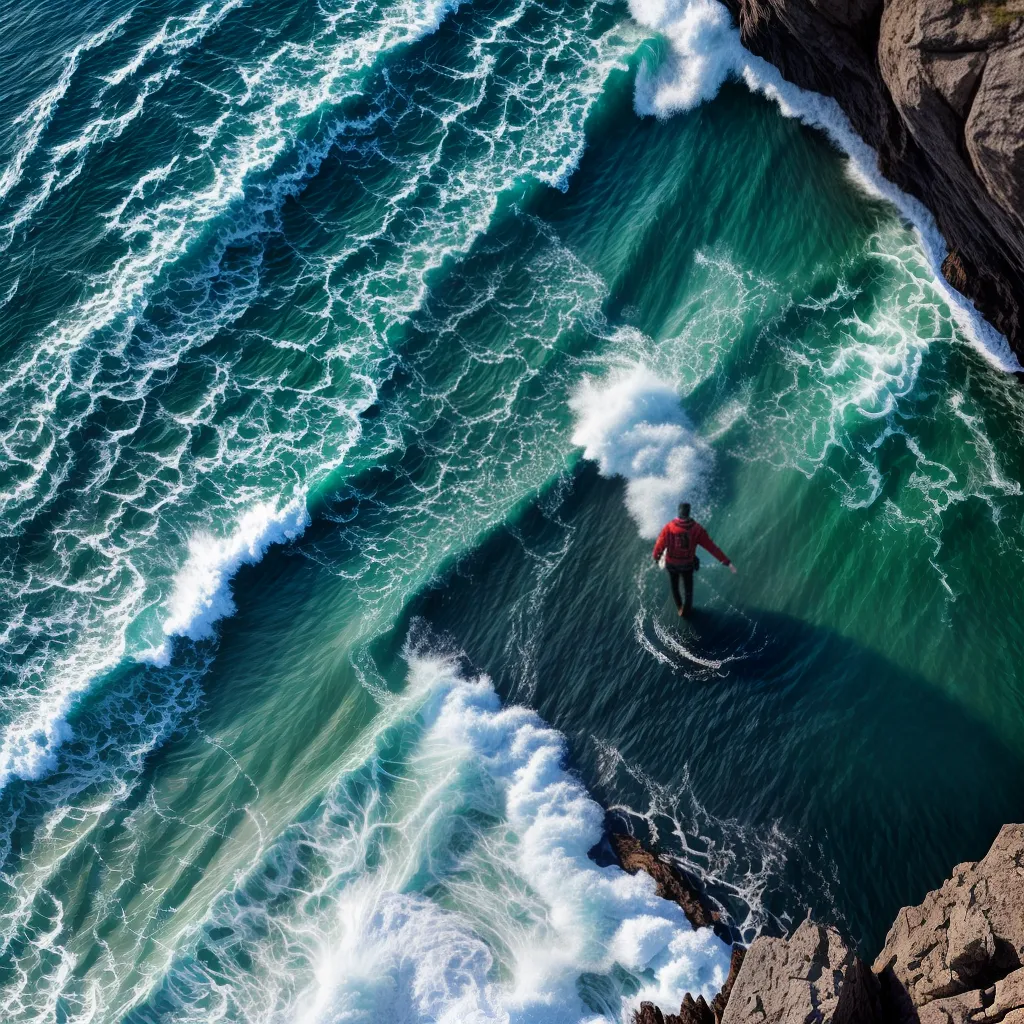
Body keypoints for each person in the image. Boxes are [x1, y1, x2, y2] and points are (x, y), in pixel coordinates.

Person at [652, 503, 737, 617]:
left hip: (672, 564)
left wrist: (656, 557)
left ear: (679, 513)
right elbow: (711, 547)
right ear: (688, 513)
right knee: (688, 591)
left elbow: (659, 546)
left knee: (675, 586)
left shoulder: (668, 528)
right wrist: (727, 562)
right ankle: (686, 610)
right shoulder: (696, 529)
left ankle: (679, 608)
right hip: (687, 564)